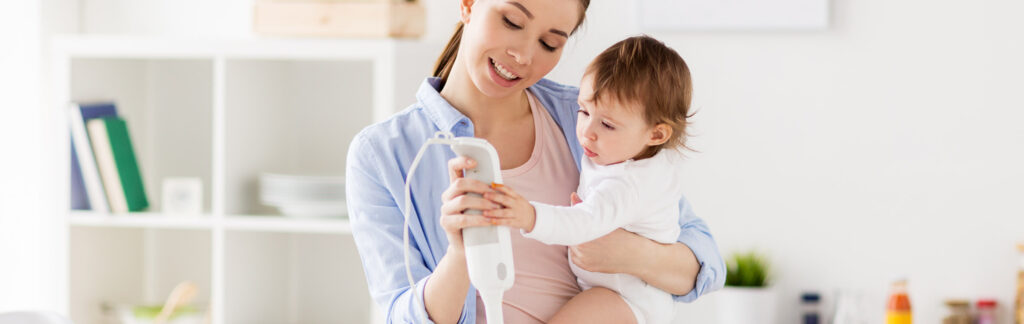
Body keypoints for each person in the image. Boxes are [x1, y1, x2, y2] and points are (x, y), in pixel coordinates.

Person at [345, 0, 725, 323]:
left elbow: (704, 263)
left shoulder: (590, 121)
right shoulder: (383, 155)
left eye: (549, 42)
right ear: (468, 5)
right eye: (511, 21)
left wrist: (626, 252)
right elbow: (402, 315)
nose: (524, 56)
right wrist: (461, 255)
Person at [482, 35, 694, 324]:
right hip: (617, 293)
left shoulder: (630, 185)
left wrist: (529, 216)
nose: (587, 131)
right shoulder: (626, 150)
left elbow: (582, 224)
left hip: (627, 301)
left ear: (656, 135)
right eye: (583, 111)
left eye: (607, 124)